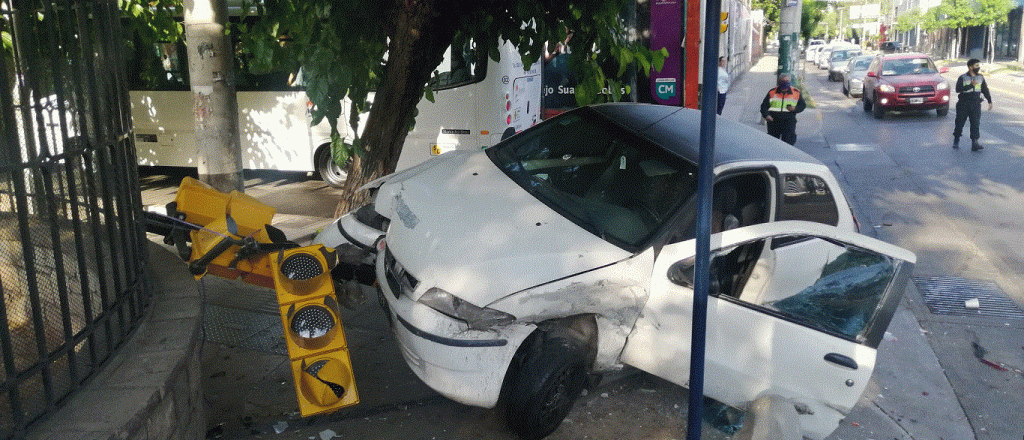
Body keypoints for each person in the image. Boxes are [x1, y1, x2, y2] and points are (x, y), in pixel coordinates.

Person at [953, 58, 993, 151]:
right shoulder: (963, 77)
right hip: (963, 104)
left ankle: (975, 142)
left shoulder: (980, 77)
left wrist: (989, 101)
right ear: (970, 67)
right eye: (976, 66)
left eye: (979, 66)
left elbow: (985, 90)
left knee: (975, 123)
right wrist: (971, 85)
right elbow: (958, 89)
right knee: (959, 123)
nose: (978, 68)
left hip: (975, 104)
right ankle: (956, 139)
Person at [759, 73, 806, 145]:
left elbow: (802, 105)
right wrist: (766, 115)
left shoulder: (796, 92)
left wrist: (794, 109)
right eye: (783, 80)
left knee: (788, 143)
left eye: (787, 80)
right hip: (774, 122)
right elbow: (764, 106)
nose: (785, 82)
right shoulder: (772, 92)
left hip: (789, 122)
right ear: (779, 81)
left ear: (790, 81)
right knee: (772, 144)